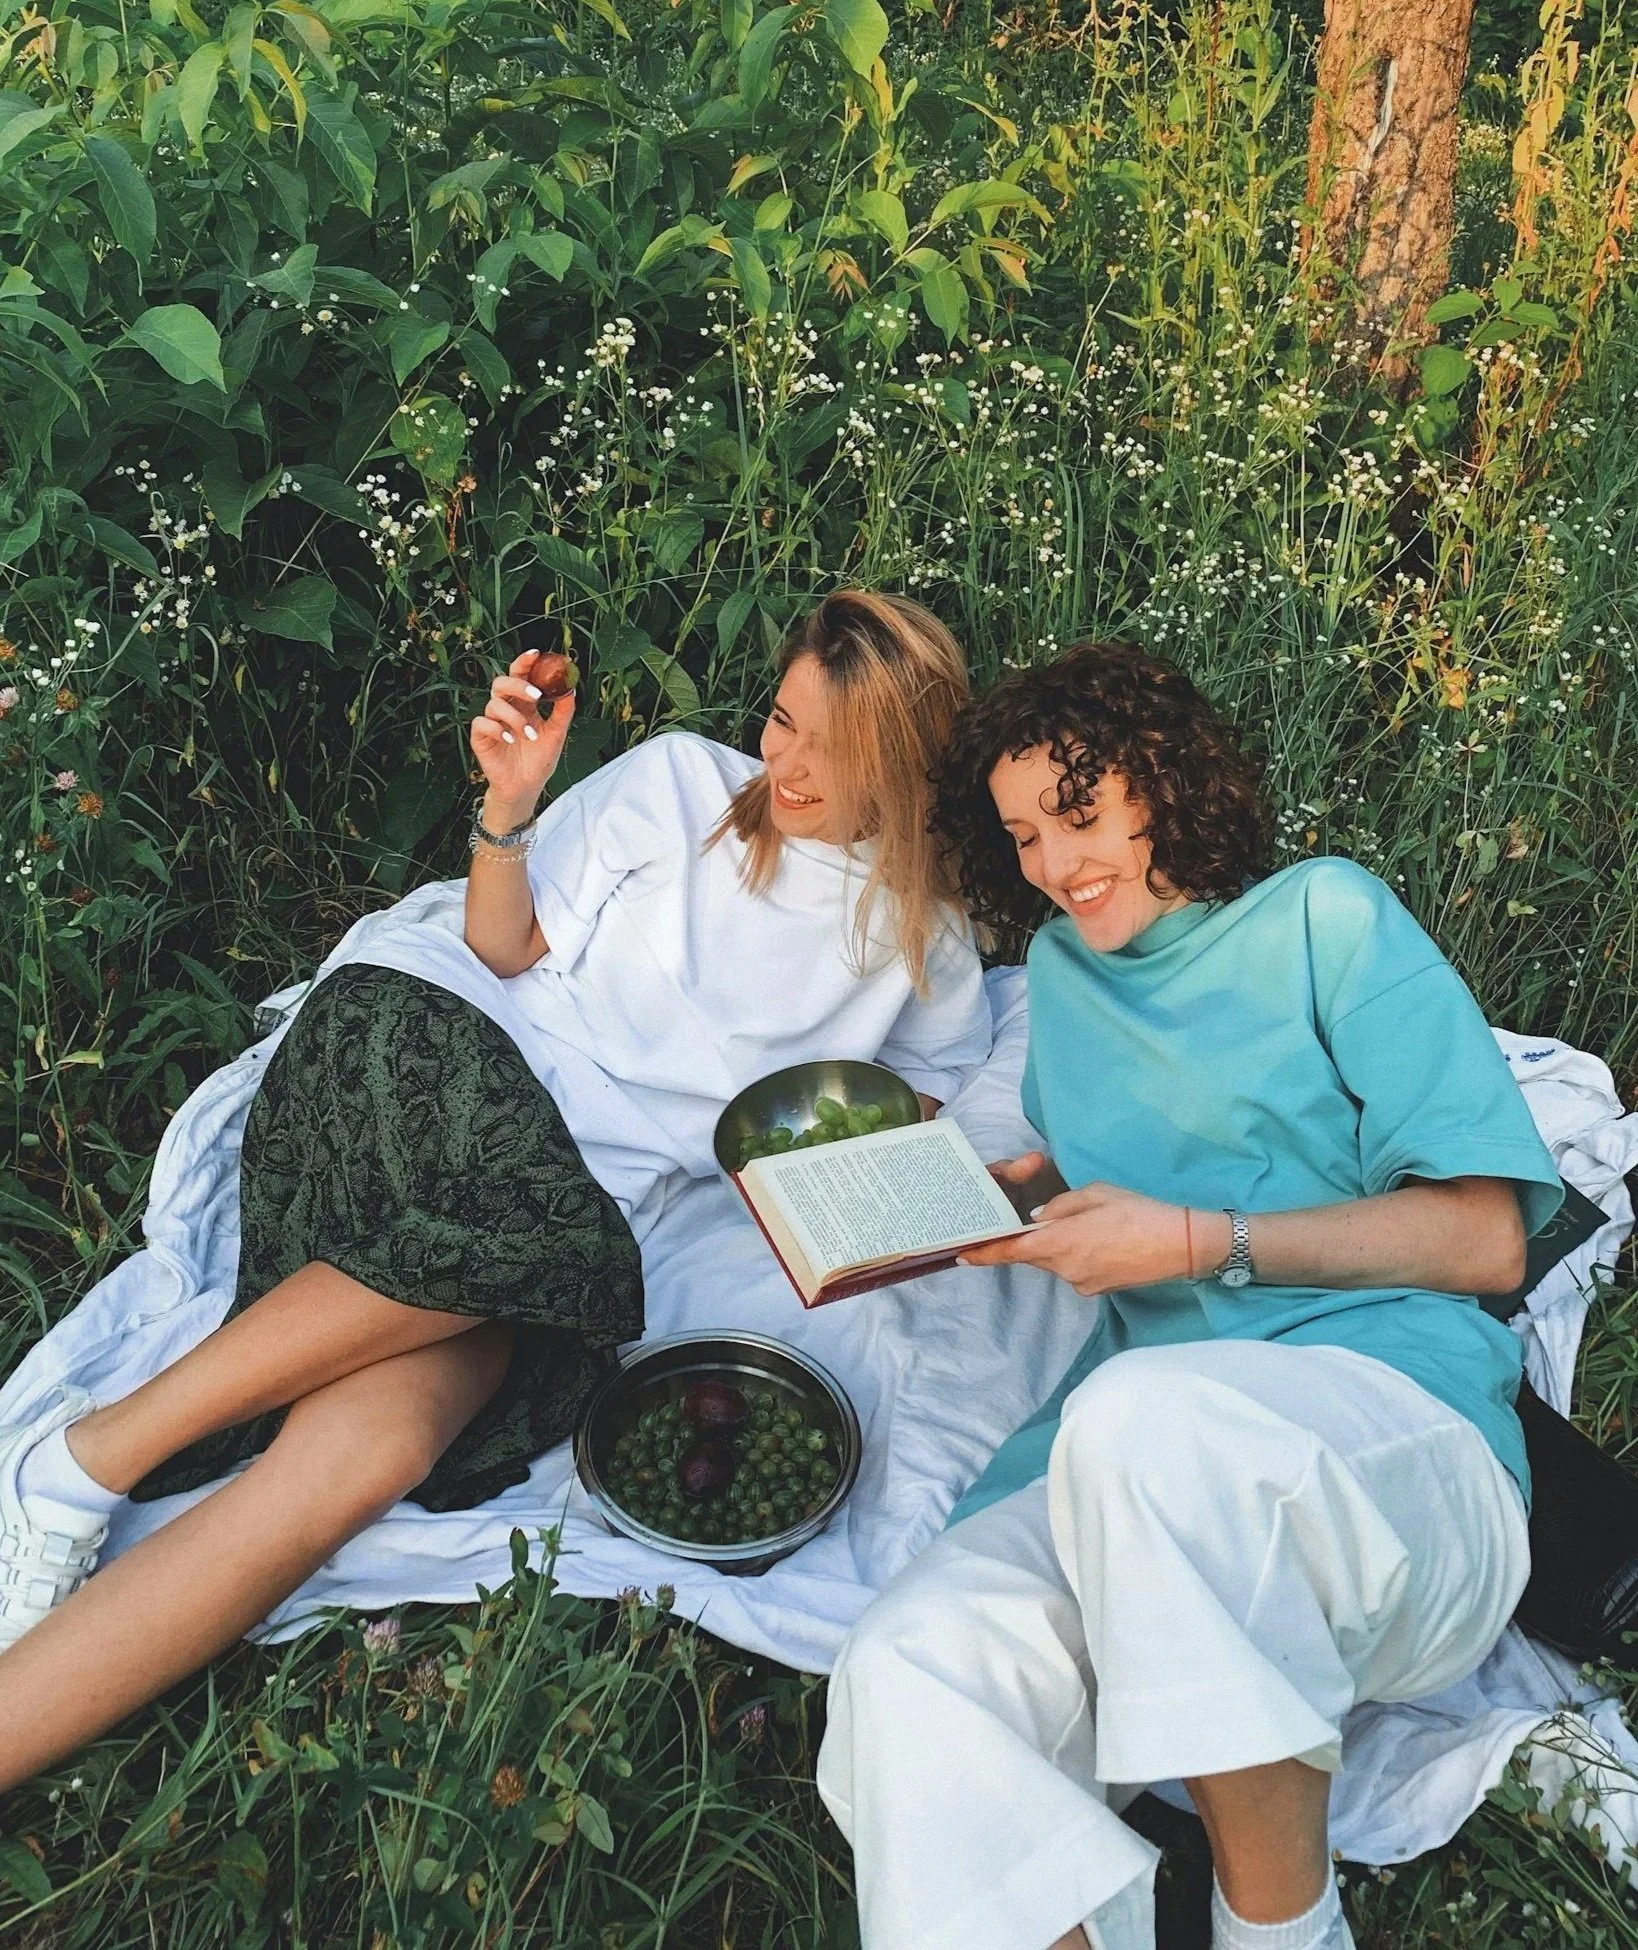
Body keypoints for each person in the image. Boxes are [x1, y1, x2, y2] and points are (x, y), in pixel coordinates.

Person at [0, 588, 992, 1792]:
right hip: (443, 1042)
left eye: (835, 750)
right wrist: (510, 808)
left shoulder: (923, 941)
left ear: (907, 764)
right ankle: (83, 1463)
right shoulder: (682, 785)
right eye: (783, 722)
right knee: (535, 1247)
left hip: (554, 1218)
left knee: (373, 1455)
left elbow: (930, 1099)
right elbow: (500, 945)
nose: (788, 764)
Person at [816, 641, 1562, 1950]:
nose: (1053, 864)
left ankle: (1282, 1929)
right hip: (1133, 1485)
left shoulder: (1323, 918)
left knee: (1143, 1420)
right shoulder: (1063, 976)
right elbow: (1117, 1158)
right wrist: (1002, 1197)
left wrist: (1199, 1243)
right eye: (1022, 836)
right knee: (902, 1669)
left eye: (1078, 813)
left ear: (1162, 779)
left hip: (1389, 1445)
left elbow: (1487, 1237)